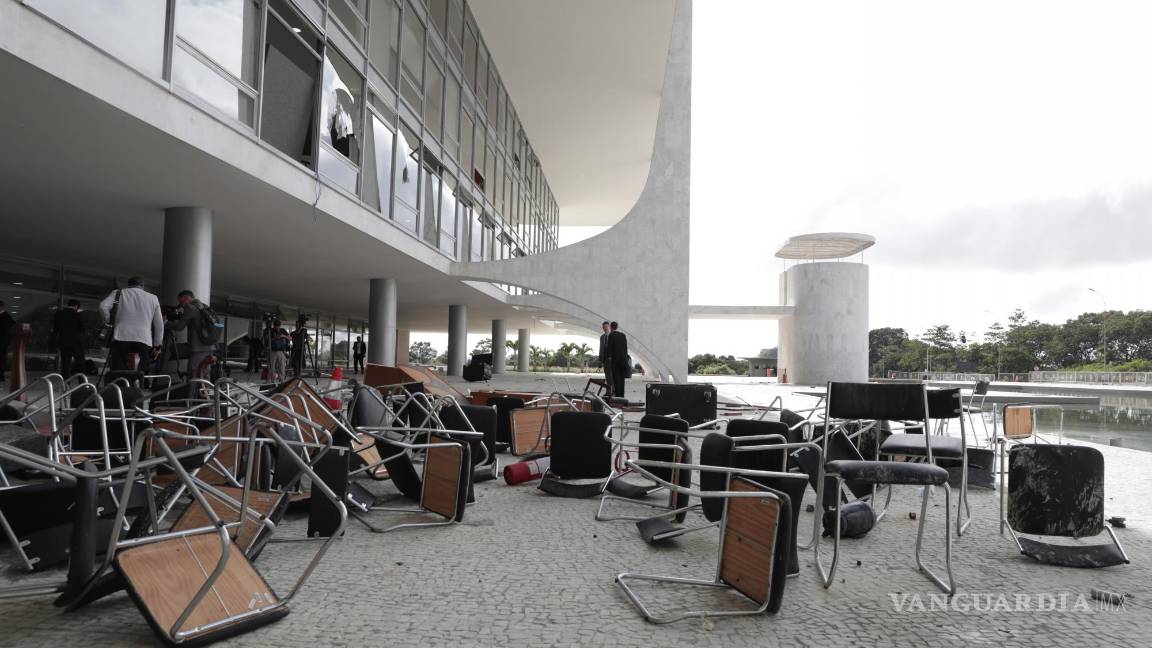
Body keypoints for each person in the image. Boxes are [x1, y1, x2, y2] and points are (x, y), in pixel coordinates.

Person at [99, 277, 164, 371]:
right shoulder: (153, 298)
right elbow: (159, 324)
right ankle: (139, 383)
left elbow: (102, 306)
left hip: (121, 336)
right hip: (144, 338)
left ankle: (121, 384)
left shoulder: (118, 293)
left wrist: (108, 319)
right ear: (143, 286)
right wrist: (157, 344)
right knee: (142, 369)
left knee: (118, 367)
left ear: (128, 285)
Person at [166, 290, 214, 381]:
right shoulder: (203, 306)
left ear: (187, 298)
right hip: (209, 346)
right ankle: (206, 394)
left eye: (181, 302)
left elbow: (180, 326)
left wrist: (166, 323)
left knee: (194, 374)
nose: (181, 305)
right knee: (205, 375)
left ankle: (193, 395)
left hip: (198, 349)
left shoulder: (190, 307)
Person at [52, 299, 85, 377]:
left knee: (65, 364)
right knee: (80, 363)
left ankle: (66, 384)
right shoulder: (77, 315)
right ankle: (82, 383)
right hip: (76, 343)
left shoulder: (59, 314)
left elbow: (55, 329)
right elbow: (82, 329)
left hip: (64, 342)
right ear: (76, 306)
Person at [607, 321, 629, 398]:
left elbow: (609, 347)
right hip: (623, 359)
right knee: (622, 378)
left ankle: (618, 394)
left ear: (610, 327)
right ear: (617, 327)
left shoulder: (611, 335)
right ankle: (622, 394)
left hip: (615, 359)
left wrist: (608, 357)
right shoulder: (623, 335)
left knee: (616, 377)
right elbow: (626, 348)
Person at [597, 321, 613, 394]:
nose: (605, 328)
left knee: (612, 377)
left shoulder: (614, 336)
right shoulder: (602, 337)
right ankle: (609, 391)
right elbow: (601, 349)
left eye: (606, 327)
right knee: (607, 377)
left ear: (609, 327)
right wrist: (600, 361)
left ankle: (613, 392)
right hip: (605, 360)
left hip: (613, 360)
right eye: (604, 327)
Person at [0, 301, 14, 382]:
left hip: (3, 342)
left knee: (2, 359)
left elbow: (10, 329)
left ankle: (1, 376)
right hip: (3, 341)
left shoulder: (7, 317)